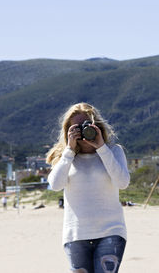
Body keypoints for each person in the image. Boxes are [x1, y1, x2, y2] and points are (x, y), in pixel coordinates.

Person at [46, 102, 130, 273]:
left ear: (96, 126)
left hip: (111, 232)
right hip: (76, 235)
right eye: (75, 128)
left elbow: (123, 182)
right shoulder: (65, 158)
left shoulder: (113, 151)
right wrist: (69, 150)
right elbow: (55, 185)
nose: (82, 132)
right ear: (67, 131)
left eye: (85, 126)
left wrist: (101, 148)